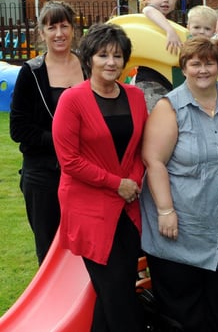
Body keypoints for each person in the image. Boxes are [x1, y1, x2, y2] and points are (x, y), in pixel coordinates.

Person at [140, 36, 218, 330]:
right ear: (184, 67)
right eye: (195, 63)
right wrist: (166, 210)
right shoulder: (169, 107)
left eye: (209, 63)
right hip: (183, 224)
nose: (203, 70)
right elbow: (153, 160)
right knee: (185, 312)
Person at [52, 23, 148, 331]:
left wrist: (133, 181)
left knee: (116, 290)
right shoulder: (72, 99)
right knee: (117, 291)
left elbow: (139, 148)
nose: (111, 62)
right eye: (103, 55)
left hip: (128, 207)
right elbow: (69, 160)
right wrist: (116, 184)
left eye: (117, 56)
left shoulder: (135, 96)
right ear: (89, 59)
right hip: (89, 209)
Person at [9, 1, 85, 265]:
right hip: (43, 174)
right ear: (41, 33)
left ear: (73, 29)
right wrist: (61, 140)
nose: (59, 33)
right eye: (51, 27)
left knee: (87, 247)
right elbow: (18, 129)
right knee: (50, 250)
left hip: (85, 173)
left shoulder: (88, 66)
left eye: (64, 25)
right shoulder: (30, 73)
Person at [137, 0, 182, 111]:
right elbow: (148, 9)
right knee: (154, 115)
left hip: (168, 78)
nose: (166, 0)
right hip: (150, 79)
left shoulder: (167, 22)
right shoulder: (150, 15)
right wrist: (170, 30)